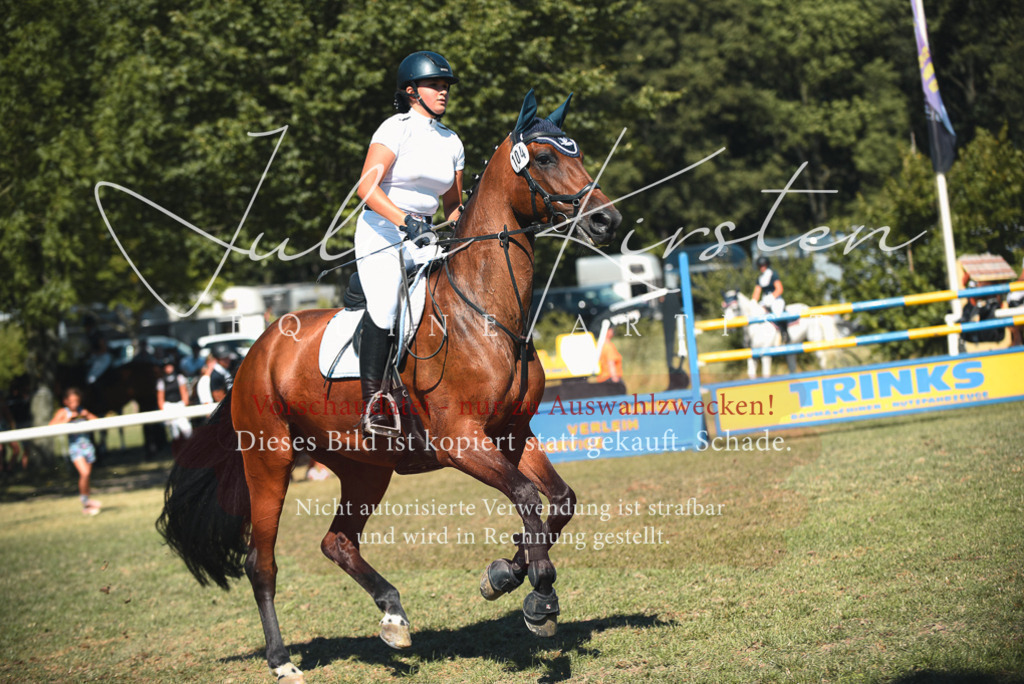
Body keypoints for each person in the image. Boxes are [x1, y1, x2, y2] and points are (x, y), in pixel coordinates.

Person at [353, 50, 464, 436]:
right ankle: (374, 404)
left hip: (425, 235)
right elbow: (366, 187)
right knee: (386, 308)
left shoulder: (452, 141)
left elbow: (453, 207)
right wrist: (406, 220)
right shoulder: (394, 129)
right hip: (382, 231)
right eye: (435, 84)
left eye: (446, 85)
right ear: (412, 90)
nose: (443, 91)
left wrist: (468, 226)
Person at [48, 387, 102, 515]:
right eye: (72, 401)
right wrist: (67, 420)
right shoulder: (63, 412)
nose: (75, 404)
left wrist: (87, 415)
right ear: (66, 401)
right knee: (84, 473)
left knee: (87, 476)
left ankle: (87, 503)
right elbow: (51, 426)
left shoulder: (82, 410)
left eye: (77, 401)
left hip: (88, 446)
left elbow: (99, 423)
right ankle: (84, 500)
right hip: (75, 448)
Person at [751, 255, 796, 371]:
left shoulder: (773, 274)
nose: (762, 267)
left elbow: (779, 288)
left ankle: (784, 333)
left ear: (767, 265)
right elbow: (757, 292)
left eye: (764, 265)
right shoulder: (760, 278)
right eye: (760, 266)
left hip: (775, 299)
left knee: (778, 312)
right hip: (765, 300)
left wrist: (772, 297)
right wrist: (753, 302)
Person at [156, 358, 193, 443]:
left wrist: (184, 404)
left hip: (179, 405)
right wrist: (163, 409)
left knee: (186, 427)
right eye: (166, 367)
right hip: (168, 406)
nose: (168, 368)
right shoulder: (161, 381)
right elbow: (160, 398)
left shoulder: (179, 378)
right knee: (174, 429)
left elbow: (184, 393)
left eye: (169, 366)